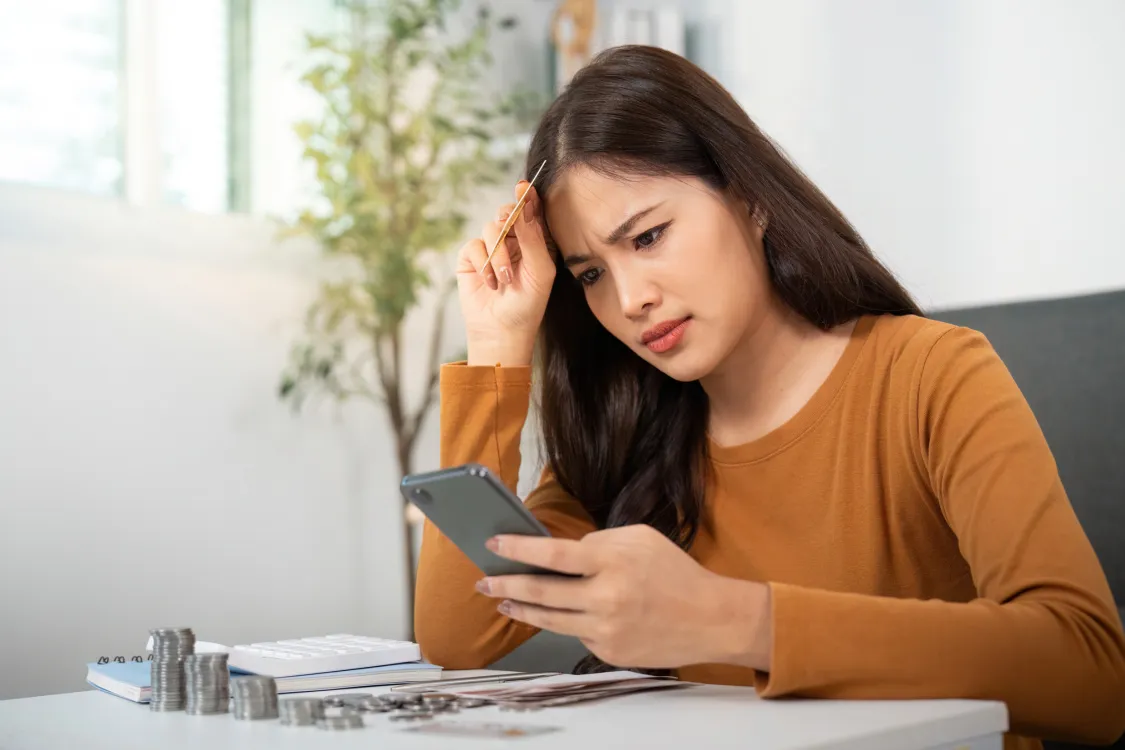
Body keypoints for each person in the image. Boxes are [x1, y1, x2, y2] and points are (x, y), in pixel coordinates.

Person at [414, 45, 1125, 749]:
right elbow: (456, 636)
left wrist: (733, 620)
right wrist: (497, 346)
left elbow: (1091, 673)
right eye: (591, 274)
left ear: (749, 199)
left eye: (649, 236)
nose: (630, 299)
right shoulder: (625, 436)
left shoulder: (929, 376)